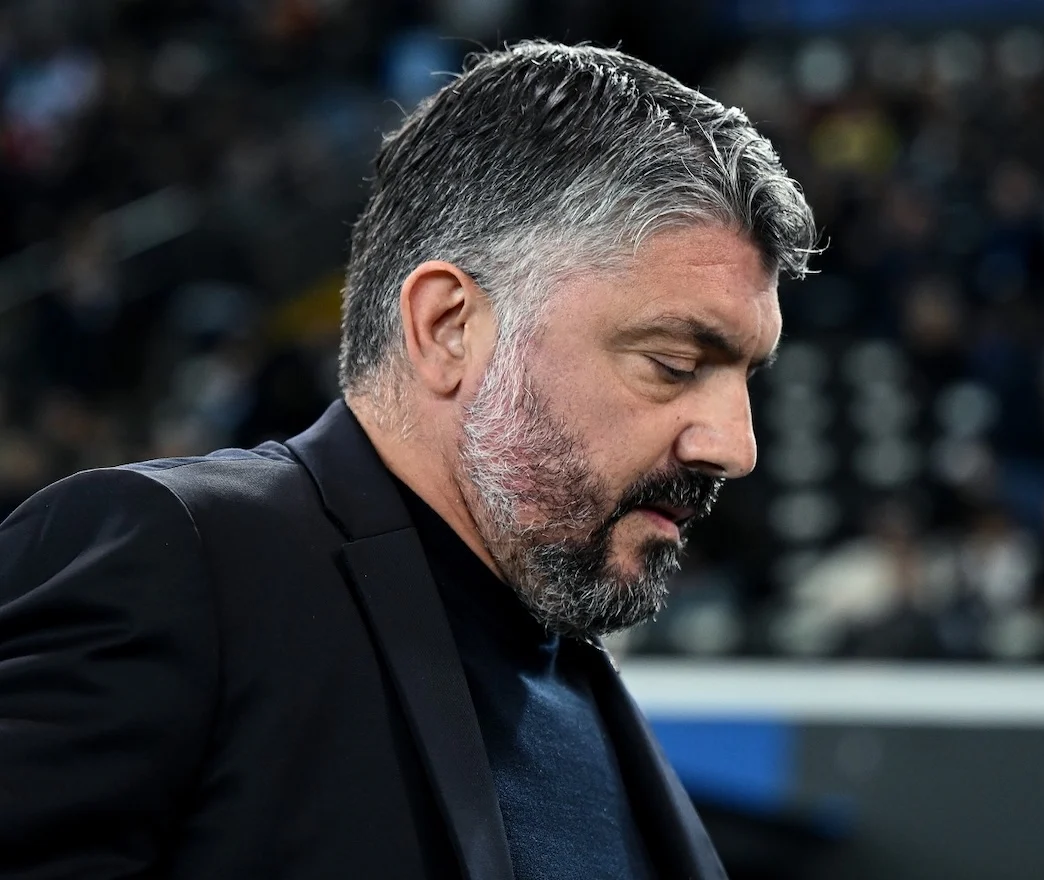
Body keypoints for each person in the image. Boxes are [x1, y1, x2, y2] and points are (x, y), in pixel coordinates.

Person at [0, 41, 816, 880]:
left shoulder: (583, 690)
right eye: (674, 364)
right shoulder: (176, 561)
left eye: (746, 377)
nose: (735, 446)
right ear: (448, 327)